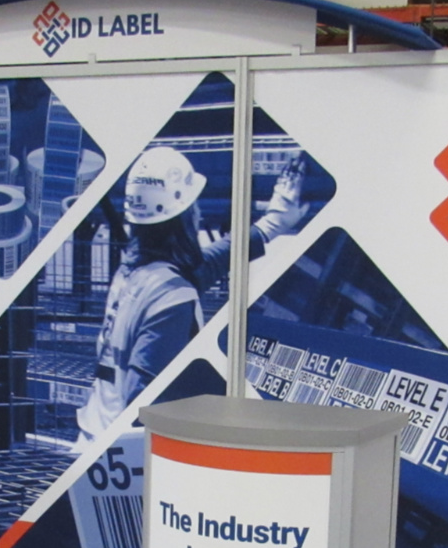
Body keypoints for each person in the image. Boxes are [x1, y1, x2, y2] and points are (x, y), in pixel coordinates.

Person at [75, 146, 310, 444]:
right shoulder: (171, 296)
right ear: (185, 215)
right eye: (194, 205)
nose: (198, 212)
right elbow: (142, 399)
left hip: (94, 434)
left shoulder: (134, 273)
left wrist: (272, 224)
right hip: (117, 450)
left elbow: (207, 263)